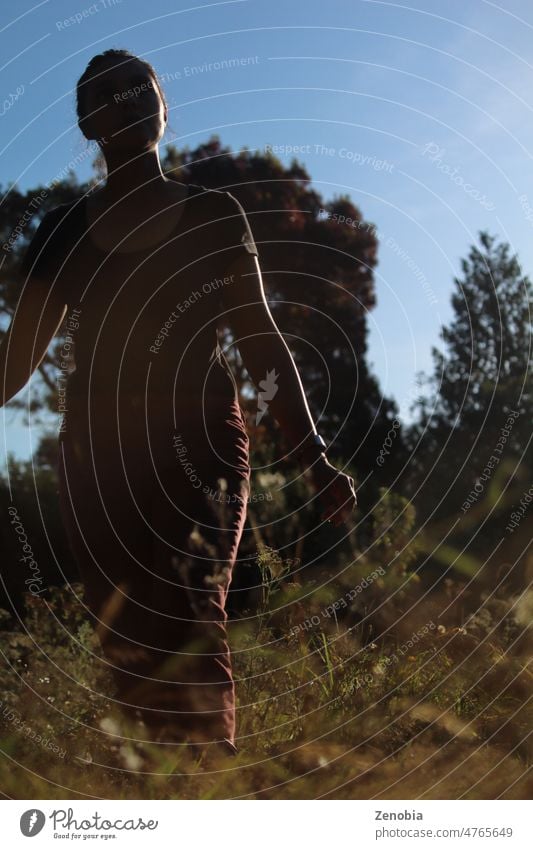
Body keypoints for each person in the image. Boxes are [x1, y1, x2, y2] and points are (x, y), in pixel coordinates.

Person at [0, 49, 357, 758]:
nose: (130, 98)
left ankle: (203, 782)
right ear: (87, 122)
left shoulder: (214, 216)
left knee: (192, 596)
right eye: (109, 93)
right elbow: (14, 364)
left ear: (164, 105)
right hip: (97, 456)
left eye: (143, 86)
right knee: (125, 633)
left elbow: (261, 341)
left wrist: (314, 458)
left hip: (201, 442)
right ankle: (146, 790)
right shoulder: (63, 232)